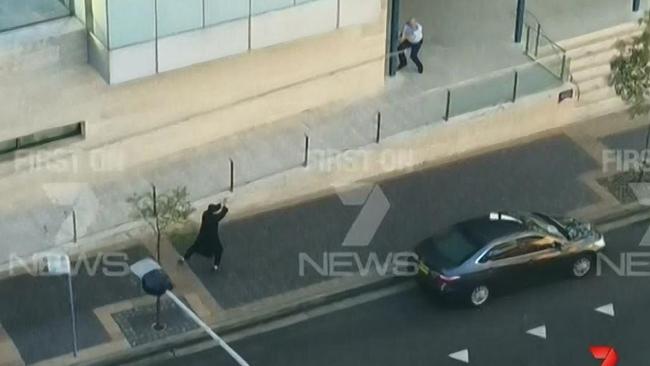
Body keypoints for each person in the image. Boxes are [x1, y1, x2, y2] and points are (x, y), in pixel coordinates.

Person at [179, 202, 229, 271]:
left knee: (195, 246)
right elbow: (221, 215)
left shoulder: (205, 213)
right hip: (212, 237)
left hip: (202, 235)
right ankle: (216, 266)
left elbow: (216, 209)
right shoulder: (214, 218)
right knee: (219, 249)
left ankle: (184, 258)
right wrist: (225, 206)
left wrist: (220, 205)